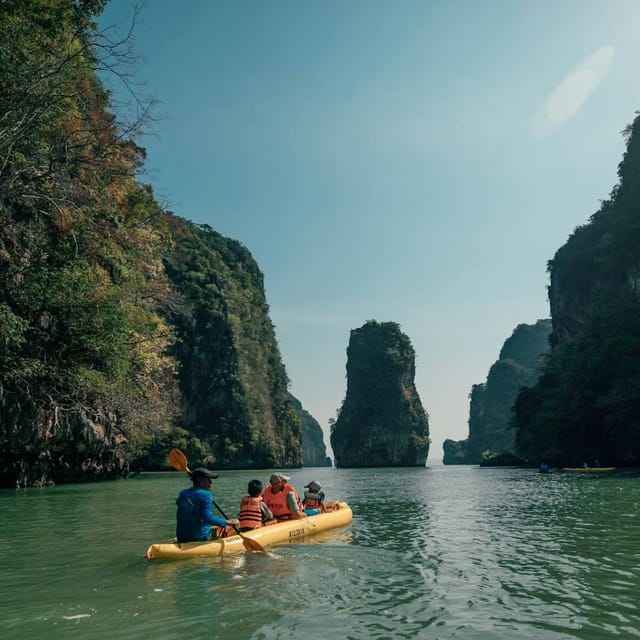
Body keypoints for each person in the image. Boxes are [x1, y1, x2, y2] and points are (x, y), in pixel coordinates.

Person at [175, 467, 239, 543]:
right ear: (200, 480)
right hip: (200, 537)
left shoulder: (183, 494)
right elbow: (208, 518)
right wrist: (227, 522)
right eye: (208, 480)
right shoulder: (206, 495)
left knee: (212, 526)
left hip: (181, 537)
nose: (211, 483)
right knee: (236, 524)